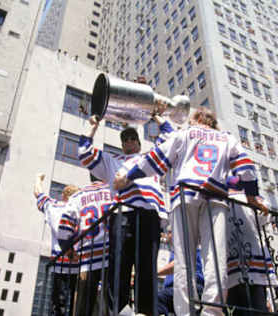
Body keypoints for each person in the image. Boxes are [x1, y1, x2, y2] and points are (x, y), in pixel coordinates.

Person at [113, 108, 267, 316]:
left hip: (185, 196)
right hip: (216, 198)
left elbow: (156, 159)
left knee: (184, 258)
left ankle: (186, 311)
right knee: (215, 257)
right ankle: (212, 311)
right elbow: (246, 167)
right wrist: (251, 197)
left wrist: (129, 176)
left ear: (197, 119)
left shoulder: (184, 133)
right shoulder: (227, 138)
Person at [77, 115, 172, 315]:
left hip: (149, 214)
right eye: (125, 140)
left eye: (132, 139)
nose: (129, 142)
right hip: (123, 214)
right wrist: (92, 127)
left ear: (138, 142)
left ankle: (145, 311)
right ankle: (118, 311)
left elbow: (170, 138)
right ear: (122, 145)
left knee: (146, 267)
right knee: (119, 266)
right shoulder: (113, 160)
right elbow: (84, 153)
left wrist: (157, 116)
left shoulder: (150, 158)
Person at [57, 180, 113, 316]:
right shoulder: (114, 191)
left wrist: (69, 252)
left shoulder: (78, 197)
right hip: (112, 255)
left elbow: (64, 230)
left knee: (83, 306)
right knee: (112, 304)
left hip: (88, 257)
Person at [225, 177, 276, 316]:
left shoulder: (223, 199)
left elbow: (264, 213)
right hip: (237, 265)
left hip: (248, 265)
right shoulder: (221, 198)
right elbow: (264, 215)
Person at [34, 174, 80, 316]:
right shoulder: (80, 209)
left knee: (57, 302)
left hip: (59, 261)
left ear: (63, 196)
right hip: (77, 262)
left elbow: (38, 193)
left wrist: (38, 179)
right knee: (75, 301)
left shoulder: (52, 206)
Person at [158, 229, 204, 316]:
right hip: (176, 289)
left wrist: (155, 273)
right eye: (169, 232)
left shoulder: (189, 246)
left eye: (171, 232)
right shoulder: (175, 251)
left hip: (190, 286)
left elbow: (178, 263)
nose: (169, 235)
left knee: (157, 299)